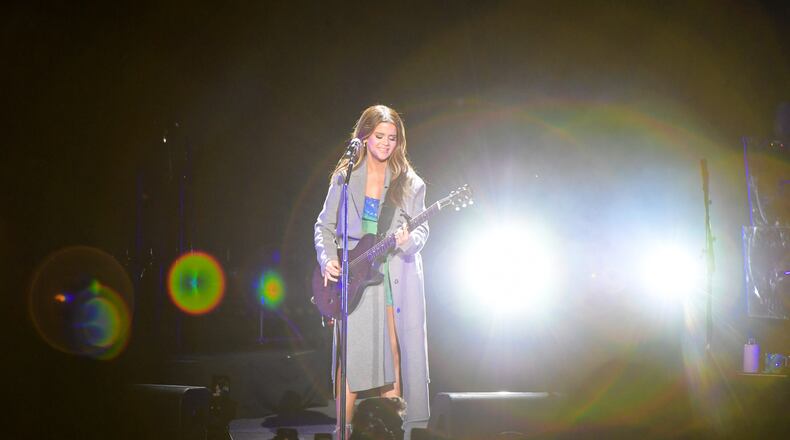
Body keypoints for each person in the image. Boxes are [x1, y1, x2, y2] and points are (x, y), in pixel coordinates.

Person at [314, 105, 430, 437]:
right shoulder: (345, 176)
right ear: (364, 136)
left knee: (392, 358)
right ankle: (343, 432)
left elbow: (421, 231)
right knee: (350, 360)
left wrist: (408, 241)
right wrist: (328, 259)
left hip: (391, 273)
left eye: (392, 138)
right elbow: (324, 226)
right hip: (354, 276)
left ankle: (393, 432)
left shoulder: (410, 183)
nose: (385, 144)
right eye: (379, 136)